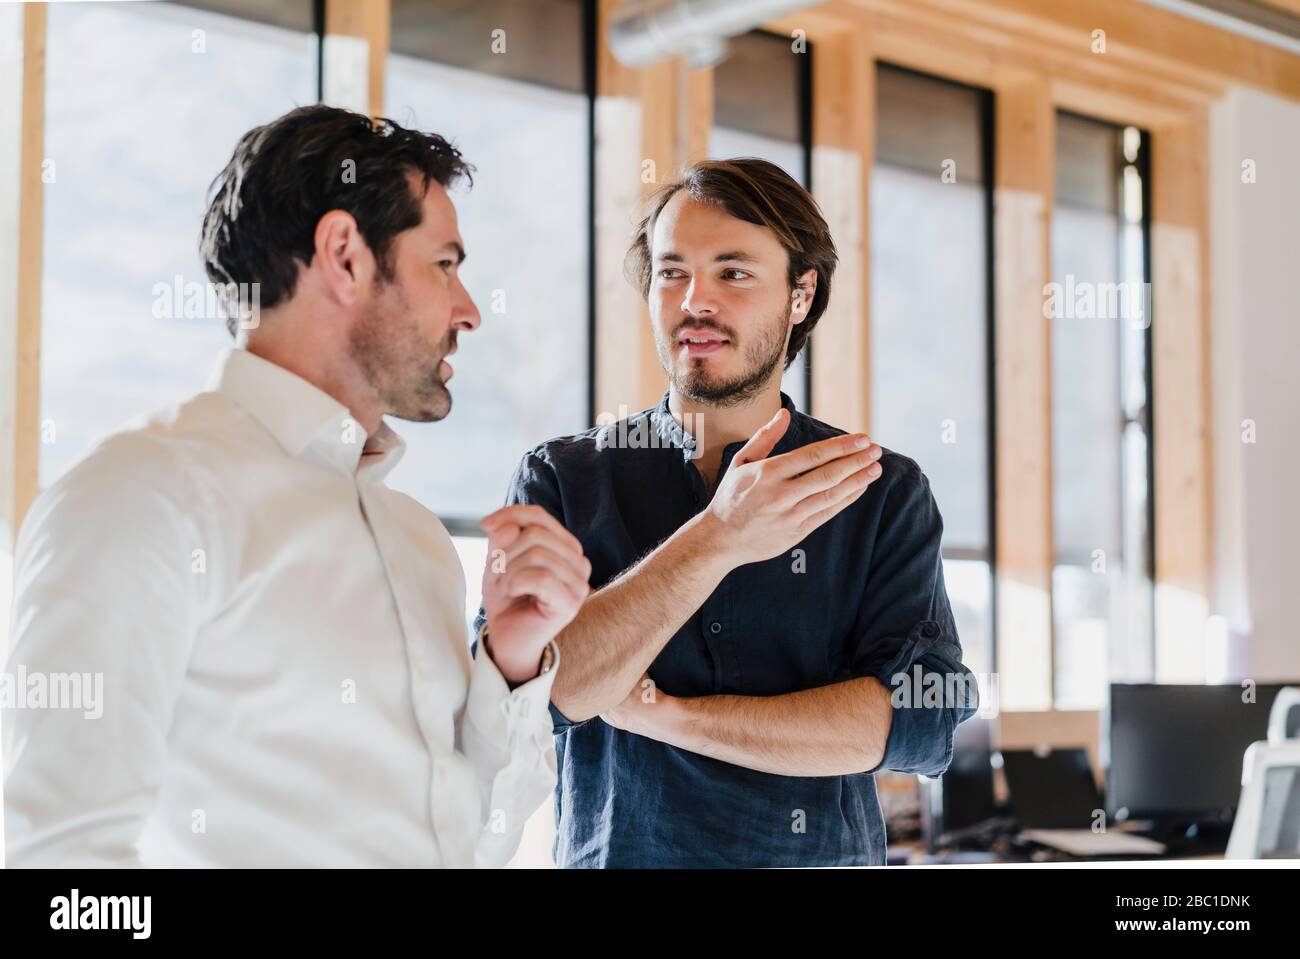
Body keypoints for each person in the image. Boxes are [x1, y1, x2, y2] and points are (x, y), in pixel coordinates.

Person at [3, 105, 590, 867]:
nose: (469, 311)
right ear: (344, 253)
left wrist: (509, 665)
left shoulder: (420, 544)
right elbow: (60, 867)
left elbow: (471, 843)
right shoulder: (141, 496)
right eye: (444, 264)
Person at [481, 158, 978, 867]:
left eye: (733, 272)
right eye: (672, 271)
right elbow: (537, 701)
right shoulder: (564, 480)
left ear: (801, 294)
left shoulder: (878, 490)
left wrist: (668, 715)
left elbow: (914, 724)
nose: (694, 301)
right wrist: (720, 537)